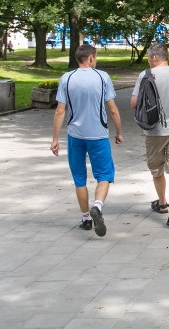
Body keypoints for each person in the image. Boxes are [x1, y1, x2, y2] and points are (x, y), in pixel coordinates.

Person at [50, 44, 123, 236]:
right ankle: (97, 206)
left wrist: (55, 138)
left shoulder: (67, 78)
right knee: (105, 174)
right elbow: (113, 109)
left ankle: (85, 218)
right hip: (98, 135)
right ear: (91, 58)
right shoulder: (102, 77)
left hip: (75, 135)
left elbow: (60, 110)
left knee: (79, 178)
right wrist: (119, 132)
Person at [130, 43, 169, 227]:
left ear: (154, 58)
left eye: (150, 57)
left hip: (153, 131)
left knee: (157, 168)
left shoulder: (145, 75)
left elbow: (134, 104)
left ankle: (162, 203)